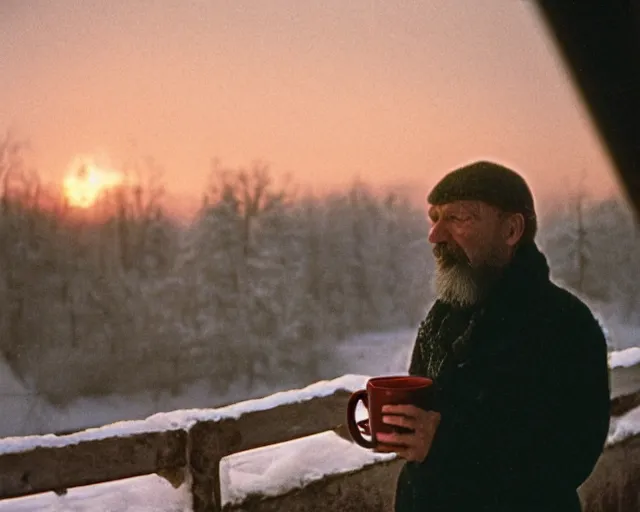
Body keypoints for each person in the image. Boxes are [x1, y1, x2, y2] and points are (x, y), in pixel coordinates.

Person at [375, 161, 611, 511]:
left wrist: (443, 444)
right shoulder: (442, 317)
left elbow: (567, 460)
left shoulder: (566, 325)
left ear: (512, 230)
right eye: (434, 218)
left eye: (458, 219)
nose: (435, 235)